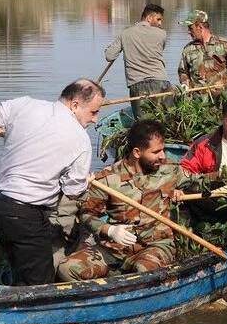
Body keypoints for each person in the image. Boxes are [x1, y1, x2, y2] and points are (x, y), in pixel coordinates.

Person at [0, 79, 105, 285]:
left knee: (22, 265)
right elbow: (74, 192)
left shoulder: (25, 105)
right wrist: (86, 181)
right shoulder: (80, 139)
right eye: (94, 112)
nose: (95, 119)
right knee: (39, 283)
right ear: (75, 104)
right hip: (24, 216)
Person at [57, 119, 206, 282]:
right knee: (67, 269)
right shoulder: (108, 179)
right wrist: (109, 230)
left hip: (156, 245)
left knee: (143, 273)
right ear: (137, 152)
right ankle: (103, 299)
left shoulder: (170, 170)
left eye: (163, 150)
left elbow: (201, 183)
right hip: (115, 249)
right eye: (156, 152)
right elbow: (87, 214)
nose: (163, 156)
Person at [105, 4, 173, 118]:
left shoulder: (126, 33)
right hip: (161, 82)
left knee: (144, 125)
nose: (160, 23)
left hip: (137, 85)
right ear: (149, 18)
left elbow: (109, 56)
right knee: (167, 120)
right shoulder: (162, 34)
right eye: (158, 19)